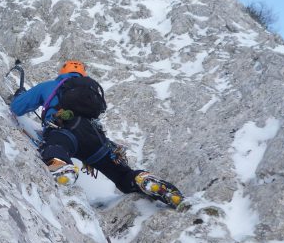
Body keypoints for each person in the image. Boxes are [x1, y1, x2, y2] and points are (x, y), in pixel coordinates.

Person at [10, 60, 184, 208]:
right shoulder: (91, 91)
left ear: (62, 73)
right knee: (122, 174)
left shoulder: (50, 86)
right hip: (95, 139)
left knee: (56, 147)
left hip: (65, 130)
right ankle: (142, 180)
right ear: (83, 76)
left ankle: (62, 168)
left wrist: (20, 95)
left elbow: (17, 107)